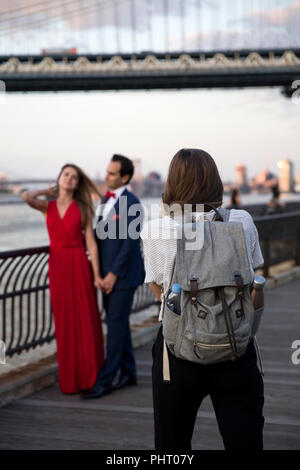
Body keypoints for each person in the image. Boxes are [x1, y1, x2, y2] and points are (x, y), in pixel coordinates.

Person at [141, 148, 265, 450]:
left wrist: (164, 212)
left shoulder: (157, 229)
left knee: (172, 442)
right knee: (245, 441)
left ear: (172, 184)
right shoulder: (241, 220)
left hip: (178, 350)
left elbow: (158, 289)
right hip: (235, 342)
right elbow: (252, 273)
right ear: (215, 181)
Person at [22, 164, 105, 394]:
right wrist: (45, 192)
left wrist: (97, 275)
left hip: (79, 263)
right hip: (57, 266)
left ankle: (91, 377)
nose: (69, 179)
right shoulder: (46, 206)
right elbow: (25, 195)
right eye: (66, 175)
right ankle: (70, 379)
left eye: (74, 177)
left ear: (78, 184)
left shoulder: (83, 207)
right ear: (59, 179)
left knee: (86, 318)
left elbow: (91, 244)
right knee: (65, 321)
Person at [81, 154, 145, 400]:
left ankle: (104, 381)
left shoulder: (134, 203)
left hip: (123, 276)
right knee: (118, 325)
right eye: (107, 172)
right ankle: (129, 372)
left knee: (115, 326)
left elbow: (129, 245)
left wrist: (112, 275)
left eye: (111, 173)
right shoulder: (104, 202)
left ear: (125, 177)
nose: (106, 177)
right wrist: (97, 273)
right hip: (106, 276)